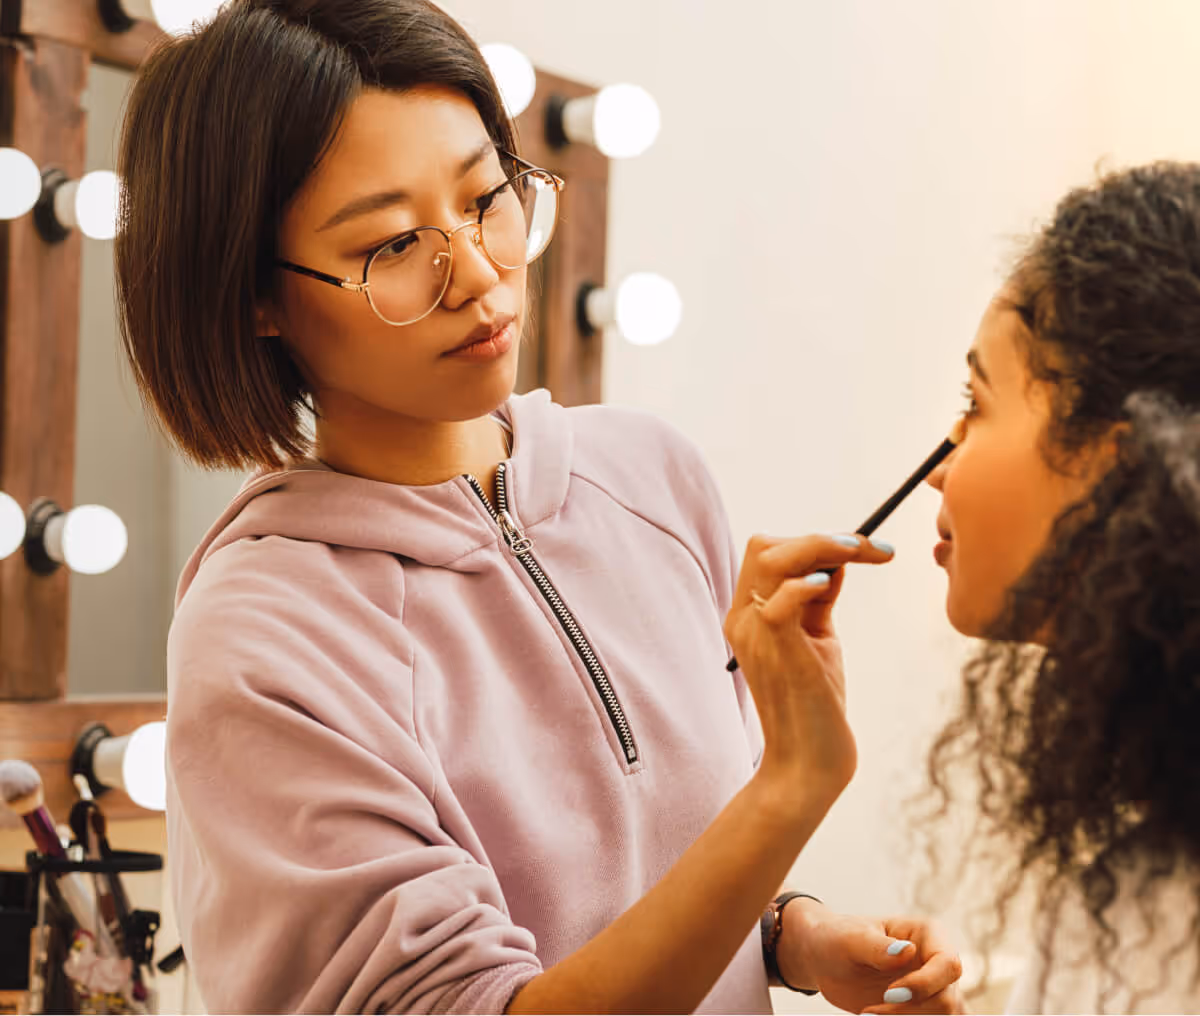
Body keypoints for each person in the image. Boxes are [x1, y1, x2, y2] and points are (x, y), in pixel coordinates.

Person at [113, 1, 965, 1012]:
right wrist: (791, 788)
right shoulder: (266, 633)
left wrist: (790, 935)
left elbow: (663, 860)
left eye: (488, 197)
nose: (479, 274)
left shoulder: (652, 478)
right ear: (255, 294)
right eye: (395, 244)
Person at [865, 163, 1200, 1016]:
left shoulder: (1163, 910)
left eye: (975, 403)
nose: (939, 469)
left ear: (1113, 465)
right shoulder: (1147, 888)